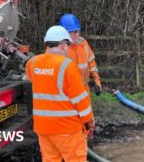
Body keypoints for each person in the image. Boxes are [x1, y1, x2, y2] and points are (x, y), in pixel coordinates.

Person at [26, 25, 95, 162]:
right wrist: (89, 121)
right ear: (63, 45)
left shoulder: (32, 63)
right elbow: (80, 99)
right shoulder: (67, 66)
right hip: (67, 129)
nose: (68, 49)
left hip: (43, 128)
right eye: (68, 45)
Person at [59, 13, 102, 96]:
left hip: (84, 88)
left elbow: (91, 63)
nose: (77, 34)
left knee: (87, 109)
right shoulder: (59, 49)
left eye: (77, 31)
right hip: (67, 91)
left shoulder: (83, 44)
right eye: (73, 32)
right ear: (64, 33)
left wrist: (97, 81)